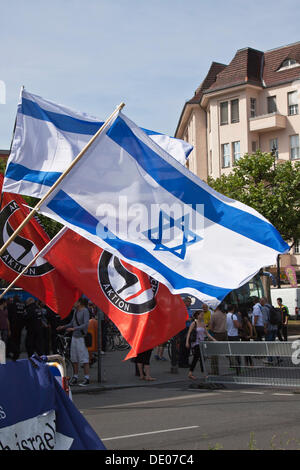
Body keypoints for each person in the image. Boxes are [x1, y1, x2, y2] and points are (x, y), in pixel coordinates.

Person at [57, 298, 90, 386]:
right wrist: (63, 326)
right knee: (74, 357)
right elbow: (72, 322)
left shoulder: (85, 311)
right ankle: (75, 376)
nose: (73, 303)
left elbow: (86, 324)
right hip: (75, 337)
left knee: (84, 358)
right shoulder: (76, 311)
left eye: (75, 302)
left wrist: (74, 328)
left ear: (79, 303)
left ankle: (87, 378)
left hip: (81, 337)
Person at [186, 310, 216, 380]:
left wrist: (213, 339)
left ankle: (190, 373)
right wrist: (187, 342)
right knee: (200, 358)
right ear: (197, 315)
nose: (202, 316)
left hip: (202, 343)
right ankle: (204, 374)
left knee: (197, 358)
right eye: (201, 315)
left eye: (203, 315)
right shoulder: (194, 323)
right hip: (196, 343)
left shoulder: (203, 324)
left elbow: (207, 333)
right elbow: (189, 333)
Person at [7, 295, 25, 360]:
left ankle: (14, 352)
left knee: (12, 339)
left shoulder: (12, 305)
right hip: (20, 325)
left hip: (13, 325)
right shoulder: (23, 305)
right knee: (18, 339)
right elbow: (24, 315)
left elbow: (9, 315)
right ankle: (17, 351)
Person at [178, 296, 193, 367]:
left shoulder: (190, 310)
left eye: (190, 302)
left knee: (188, 346)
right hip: (183, 329)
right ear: (185, 302)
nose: (190, 303)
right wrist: (187, 319)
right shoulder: (182, 309)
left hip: (189, 329)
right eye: (189, 301)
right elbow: (179, 318)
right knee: (183, 345)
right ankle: (181, 362)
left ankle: (186, 362)